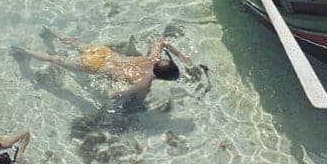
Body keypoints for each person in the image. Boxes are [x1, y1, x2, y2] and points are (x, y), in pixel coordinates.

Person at [12, 30, 192, 103]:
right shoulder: (144, 82)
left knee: (75, 43)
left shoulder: (153, 58)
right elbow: (117, 94)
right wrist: (134, 100)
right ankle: (23, 50)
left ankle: (50, 31)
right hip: (92, 65)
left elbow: (162, 41)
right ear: (162, 77)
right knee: (54, 59)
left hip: (102, 52)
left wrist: (182, 56)